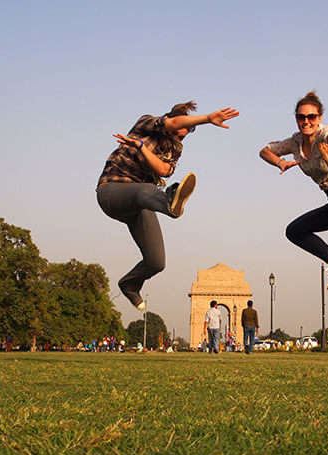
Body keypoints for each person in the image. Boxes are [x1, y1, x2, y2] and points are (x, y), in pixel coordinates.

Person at [97, 102, 239, 310]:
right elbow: (172, 123)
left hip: (141, 202)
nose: (180, 139)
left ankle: (129, 284)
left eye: (184, 136)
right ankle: (169, 200)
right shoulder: (146, 124)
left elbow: (163, 169)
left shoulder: (175, 149)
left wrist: (142, 148)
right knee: (145, 190)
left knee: (156, 262)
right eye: (177, 133)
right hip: (112, 191)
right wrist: (207, 119)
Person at [260, 91, 328, 290]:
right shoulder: (294, 143)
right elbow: (264, 151)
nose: (306, 121)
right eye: (301, 117)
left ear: (319, 118)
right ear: (296, 118)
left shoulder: (323, 134)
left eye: (311, 117)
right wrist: (280, 162)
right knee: (294, 231)